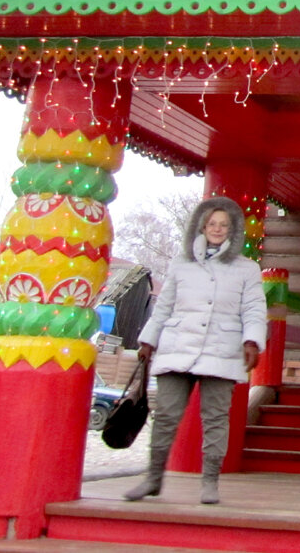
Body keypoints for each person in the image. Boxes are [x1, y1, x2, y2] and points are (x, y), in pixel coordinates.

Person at [123, 196, 267, 505]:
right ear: (201, 226)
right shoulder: (181, 263)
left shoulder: (247, 269)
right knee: (165, 415)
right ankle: (152, 477)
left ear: (233, 230)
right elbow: (164, 306)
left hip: (222, 350)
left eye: (224, 225)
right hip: (178, 347)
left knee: (216, 417)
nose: (217, 229)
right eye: (212, 224)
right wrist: (149, 340)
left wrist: (252, 340)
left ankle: (210, 481)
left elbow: (254, 309)